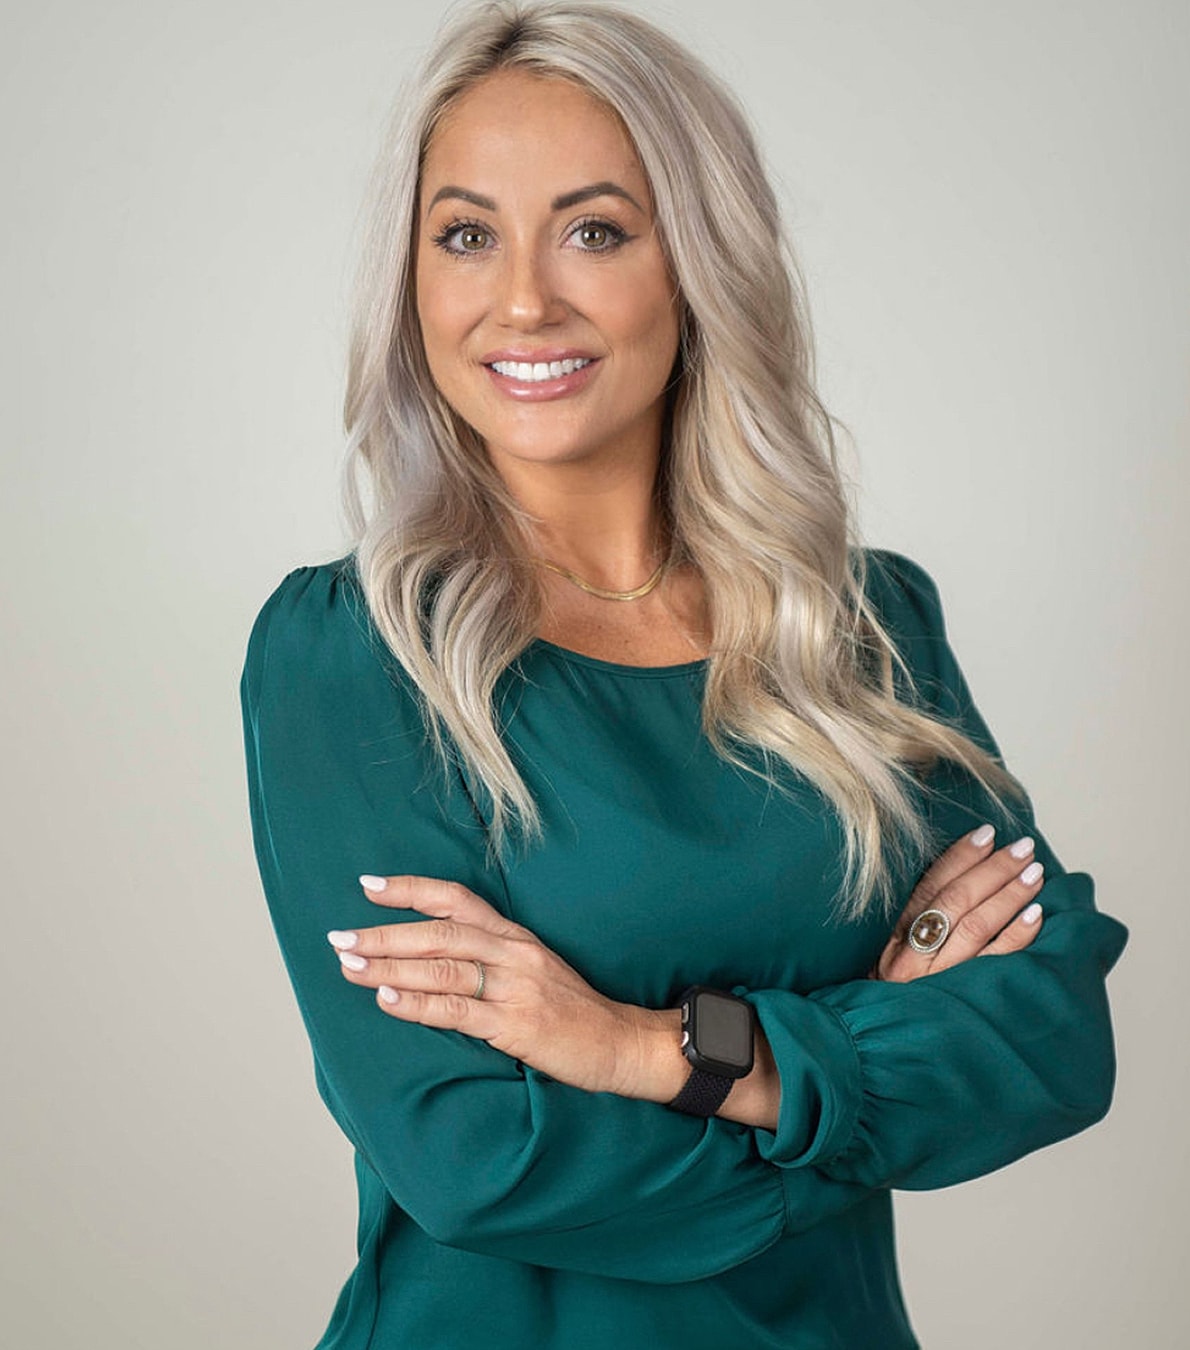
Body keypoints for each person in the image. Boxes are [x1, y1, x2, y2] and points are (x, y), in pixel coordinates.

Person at [239, 2, 1127, 1346]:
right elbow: (479, 1159)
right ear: (410, 280)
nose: (524, 296)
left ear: (698, 263)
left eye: (595, 230)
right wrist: (851, 1066)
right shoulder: (354, 654)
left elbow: (1049, 1036)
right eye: (465, 234)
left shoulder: (864, 625)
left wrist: (634, 1047)